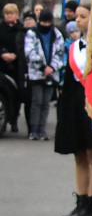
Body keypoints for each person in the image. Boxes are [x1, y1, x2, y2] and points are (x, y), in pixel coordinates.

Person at [54, 4, 92, 216]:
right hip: (75, 102)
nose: (78, 20)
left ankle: (91, 204)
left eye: (83, 17)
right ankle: (81, 200)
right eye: (77, 17)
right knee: (79, 154)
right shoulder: (74, 47)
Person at [23, 8, 65, 141]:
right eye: (43, 21)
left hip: (51, 74)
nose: (46, 25)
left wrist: (52, 67)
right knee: (37, 101)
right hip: (36, 73)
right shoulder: (32, 33)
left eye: (48, 22)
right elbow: (30, 52)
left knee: (46, 103)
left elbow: (60, 53)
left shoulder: (56, 34)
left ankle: (42, 129)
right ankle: (33, 129)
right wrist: (42, 67)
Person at [0, 4, 25, 132]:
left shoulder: (21, 29)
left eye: (11, 13)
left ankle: (14, 120)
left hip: (16, 66)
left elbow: (24, 46)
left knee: (17, 94)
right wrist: (2, 54)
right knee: (6, 92)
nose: (9, 16)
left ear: (16, 14)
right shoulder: (1, 28)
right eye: (7, 13)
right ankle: (6, 119)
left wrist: (15, 55)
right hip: (2, 65)